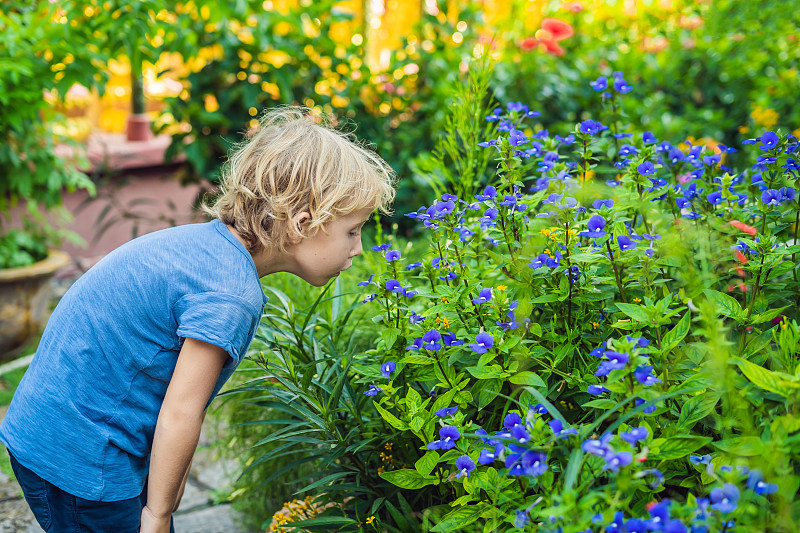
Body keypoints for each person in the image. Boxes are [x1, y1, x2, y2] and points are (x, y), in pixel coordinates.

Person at [0, 107, 395, 533]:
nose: (357, 249)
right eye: (353, 231)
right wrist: (158, 514)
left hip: (50, 428)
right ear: (302, 224)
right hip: (84, 459)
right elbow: (181, 412)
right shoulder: (230, 293)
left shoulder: (203, 247)